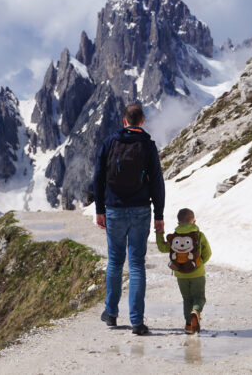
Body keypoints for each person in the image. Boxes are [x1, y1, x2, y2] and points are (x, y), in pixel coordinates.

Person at [93, 104, 165, 335]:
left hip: (114, 209)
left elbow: (98, 178)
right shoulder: (148, 146)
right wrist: (159, 215)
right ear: (141, 121)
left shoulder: (110, 142)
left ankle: (111, 314)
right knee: (136, 265)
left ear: (124, 121)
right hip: (141, 210)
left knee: (114, 262)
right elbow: (157, 182)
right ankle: (137, 321)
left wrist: (100, 209)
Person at [156, 208, 211, 334]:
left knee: (187, 299)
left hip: (180, 274)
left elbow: (162, 248)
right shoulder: (199, 235)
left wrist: (159, 233)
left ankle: (188, 325)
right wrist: (200, 263)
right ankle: (196, 311)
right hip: (198, 273)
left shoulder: (174, 236)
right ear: (194, 222)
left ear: (178, 223)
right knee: (199, 298)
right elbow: (208, 253)